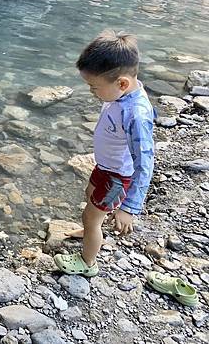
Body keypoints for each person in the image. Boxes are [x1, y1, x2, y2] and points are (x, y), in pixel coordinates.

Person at [54, 31, 155, 277]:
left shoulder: (136, 114)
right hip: (106, 167)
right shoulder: (121, 94)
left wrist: (129, 207)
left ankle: (87, 263)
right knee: (90, 195)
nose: (91, 92)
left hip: (118, 177)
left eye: (94, 87)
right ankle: (91, 229)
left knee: (91, 216)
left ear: (122, 83)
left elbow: (145, 163)